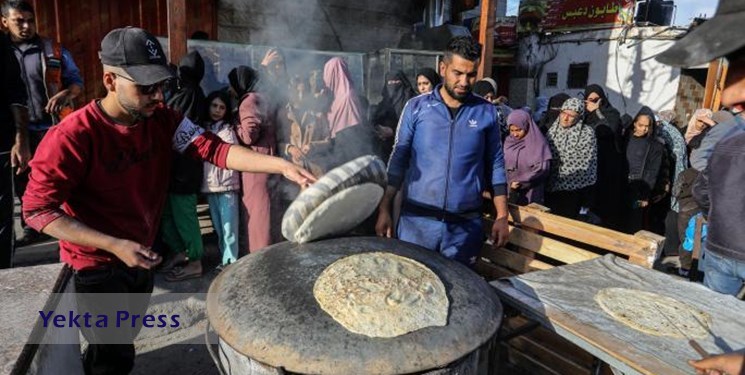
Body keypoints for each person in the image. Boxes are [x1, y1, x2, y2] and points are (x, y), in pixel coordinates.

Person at [21, 27, 314, 374]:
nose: (158, 96)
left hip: (141, 254)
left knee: (124, 337)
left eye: (160, 85)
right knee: (112, 354)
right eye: (145, 88)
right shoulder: (73, 137)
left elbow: (214, 149)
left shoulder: (163, 121)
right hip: (96, 265)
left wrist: (281, 165)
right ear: (110, 80)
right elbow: (36, 210)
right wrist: (113, 244)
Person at [375, 36, 509, 267]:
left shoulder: (486, 112)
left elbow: (496, 164)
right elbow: (399, 158)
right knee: (411, 289)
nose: (465, 82)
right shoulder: (416, 107)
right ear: (443, 68)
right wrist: (384, 207)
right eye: (458, 73)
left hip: (464, 228)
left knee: (461, 295)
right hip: (417, 225)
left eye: (471, 74)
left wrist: (502, 216)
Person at [658, 0, 745, 296]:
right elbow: (703, 188)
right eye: (733, 65)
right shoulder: (729, 141)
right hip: (723, 249)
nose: (731, 94)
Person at [2, 0, 84, 245]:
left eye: (30, 20)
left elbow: (76, 82)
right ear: (5, 21)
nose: (26, 26)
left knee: (62, 177)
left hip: (52, 127)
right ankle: (31, 228)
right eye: (19, 21)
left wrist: (65, 93)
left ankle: (69, 225)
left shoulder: (52, 49)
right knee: (23, 180)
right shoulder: (3, 53)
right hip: (19, 133)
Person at [159, 50, 207, 281]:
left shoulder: (191, 93)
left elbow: (173, 121)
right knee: (168, 214)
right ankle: (178, 252)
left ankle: (196, 261)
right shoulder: (186, 91)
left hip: (185, 169)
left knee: (185, 217)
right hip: (173, 167)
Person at [229, 65, 277, 253]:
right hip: (267, 162)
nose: (230, 88)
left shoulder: (249, 100)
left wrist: (233, 126)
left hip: (255, 164)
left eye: (232, 83)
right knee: (265, 212)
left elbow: (249, 135)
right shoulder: (263, 98)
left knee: (257, 214)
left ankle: (259, 256)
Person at [200, 90, 240, 269]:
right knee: (218, 227)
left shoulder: (228, 130)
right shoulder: (203, 128)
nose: (217, 110)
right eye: (214, 106)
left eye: (222, 107)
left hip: (226, 186)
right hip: (210, 186)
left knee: (229, 228)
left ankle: (230, 262)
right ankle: (225, 258)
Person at [0, 32, 29, 268]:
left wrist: (21, 138)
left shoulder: (0, 43)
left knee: (2, 223)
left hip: (0, 145)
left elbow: (16, 92)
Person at [544, 98, 598, 219]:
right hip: (549, 187)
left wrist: (561, 166)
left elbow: (586, 164)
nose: (565, 118)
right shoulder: (552, 130)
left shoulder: (587, 134)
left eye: (571, 115)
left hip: (572, 191)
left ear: (579, 117)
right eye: (563, 113)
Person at [583, 84, 625, 229]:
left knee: (605, 203)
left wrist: (597, 111)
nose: (593, 103)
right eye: (590, 100)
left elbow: (608, 130)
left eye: (596, 100)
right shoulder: (583, 116)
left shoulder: (612, 113)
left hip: (608, 165)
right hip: (589, 164)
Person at [622, 106, 669, 234]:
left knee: (633, 222)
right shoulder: (625, 138)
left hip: (638, 190)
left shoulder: (655, 146)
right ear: (635, 124)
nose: (644, 129)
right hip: (621, 185)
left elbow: (652, 172)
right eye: (641, 125)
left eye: (647, 126)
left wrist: (645, 196)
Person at [323, 57, 375, 166]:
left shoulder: (348, 96)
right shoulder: (330, 96)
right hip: (335, 144)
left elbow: (352, 129)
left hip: (345, 147)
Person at [503, 109, 551, 205]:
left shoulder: (538, 143)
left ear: (527, 126)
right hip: (509, 190)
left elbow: (542, 169)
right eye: (511, 130)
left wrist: (520, 181)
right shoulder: (508, 141)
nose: (515, 134)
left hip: (531, 190)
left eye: (519, 130)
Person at [372, 70, 416, 159]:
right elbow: (374, 120)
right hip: (384, 151)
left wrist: (393, 132)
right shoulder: (383, 104)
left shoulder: (412, 102)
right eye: (390, 82)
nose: (393, 84)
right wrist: (378, 130)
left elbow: (415, 127)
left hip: (406, 151)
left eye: (396, 81)